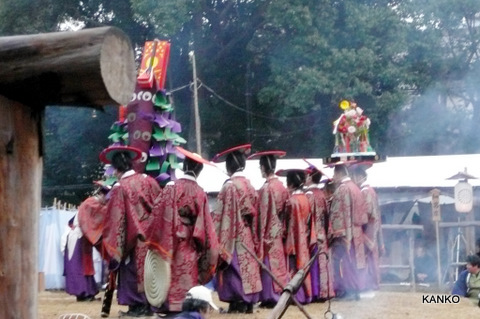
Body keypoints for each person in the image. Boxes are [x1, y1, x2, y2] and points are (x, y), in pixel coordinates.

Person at [151, 147, 219, 313]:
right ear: (199, 171)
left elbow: (157, 212)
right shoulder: (199, 192)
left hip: (170, 238)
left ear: (185, 166)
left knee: (169, 271)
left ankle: (167, 305)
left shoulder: (171, 187)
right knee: (187, 271)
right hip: (189, 239)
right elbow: (204, 224)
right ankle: (187, 305)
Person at [100, 145, 162, 317]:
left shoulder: (120, 188)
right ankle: (150, 306)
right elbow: (161, 205)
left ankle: (137, 307)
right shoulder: (149, 181)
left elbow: (116, 219)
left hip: (133, 238)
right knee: (151, 271)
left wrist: (115, 246)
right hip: (152, 237)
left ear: (117, 169)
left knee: (133, 272)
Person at [211, 144, 262, 313]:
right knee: (248, 268)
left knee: (234, 269)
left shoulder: (230, 186)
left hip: (232, 233)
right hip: (247, 232)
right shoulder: (250, 185)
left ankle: (237, 301)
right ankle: (248, 301)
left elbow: (222, 214)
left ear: (229, 166)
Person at [247, 150, 290, 308]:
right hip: (278, 230)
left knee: (268, 265)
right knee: (278, 264)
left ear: (264, 167)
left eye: (260, 167)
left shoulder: (266, 188)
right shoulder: (282, 187)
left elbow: (263, 214)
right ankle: (278, 294)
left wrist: (258, 234)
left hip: (267, 232)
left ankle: (269, 296)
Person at [328, 162, 367, 300]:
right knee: (354, 263)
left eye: (334, 174)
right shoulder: (356, 188)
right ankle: (355, 290)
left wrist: (334, 234)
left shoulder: (342, 189)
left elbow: (337, 214)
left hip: (345, 232)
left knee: (341, 262)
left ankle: (346, 291)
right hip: (357, 231)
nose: (333, 177)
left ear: (339, 173)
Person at [278, 168, 313, 304]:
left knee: (293, 268)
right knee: (303, 267)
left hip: (293, 239)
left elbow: (288, 224)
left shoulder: (291, 201)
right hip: (303, 236)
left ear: (291, 184)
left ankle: (296, 297)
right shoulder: (305, 199)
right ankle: (305, 295)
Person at [350, 163, 385, 291]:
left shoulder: (365, 192)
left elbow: (368, 212)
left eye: (354, 176)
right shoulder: (370, 190)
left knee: (367, 259)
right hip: (372, 228)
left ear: (359, 176)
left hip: (367, 229)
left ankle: (369, 284)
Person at [304, 164, 335, 301]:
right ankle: (325, 291)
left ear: (310, 177)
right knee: (322, 263)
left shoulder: (309, 195)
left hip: (312, 234)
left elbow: (307, 217)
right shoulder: (322, 194)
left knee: (314, 263)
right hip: (322, 232)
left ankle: (315, 291)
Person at [62, 215, 99, 302]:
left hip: (83, 239)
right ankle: (82, 293)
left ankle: (89, 292)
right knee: (78, 267)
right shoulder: (84, 211)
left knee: (86, 267)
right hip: (78, 238)